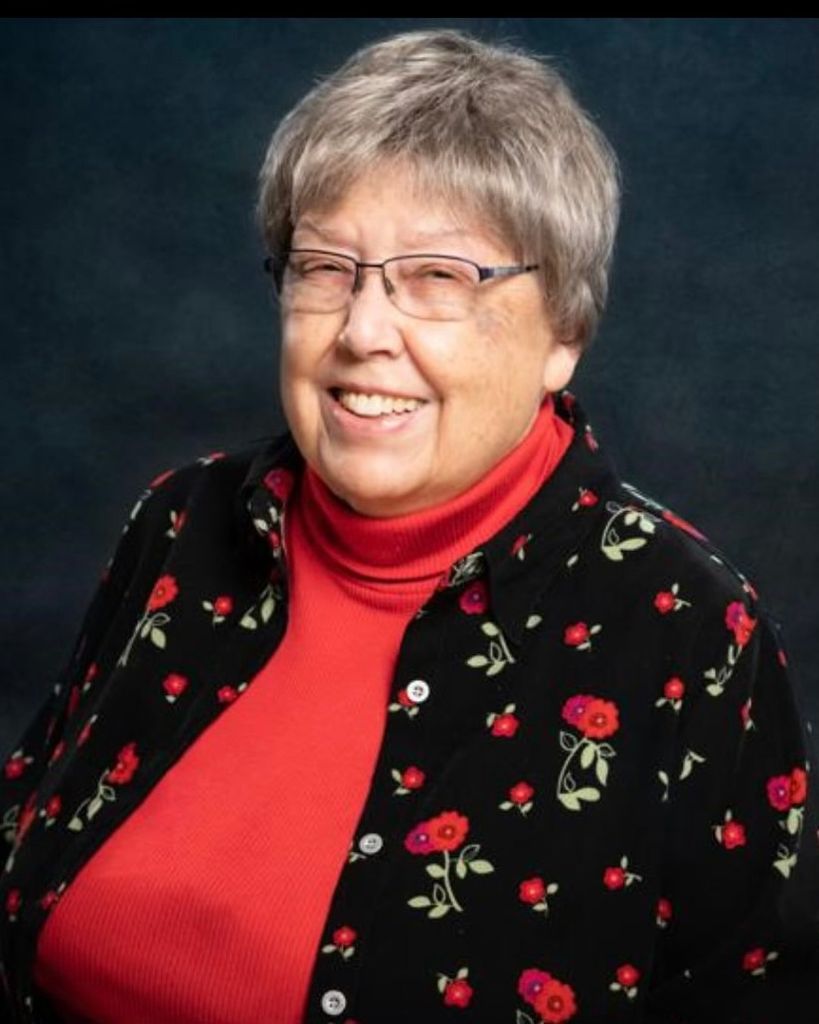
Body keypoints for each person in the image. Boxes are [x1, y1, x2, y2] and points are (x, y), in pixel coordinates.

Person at [0, 27, 815, 1024]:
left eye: (438, 277)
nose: (362, 331)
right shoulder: (181, 524)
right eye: (325, 268)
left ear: (563, 332)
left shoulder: (688, 628)